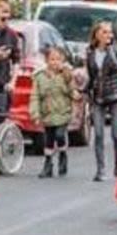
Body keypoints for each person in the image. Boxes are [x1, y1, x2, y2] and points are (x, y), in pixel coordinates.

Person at [85, 21, 117, 181]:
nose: (108, 35)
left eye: (110, 32)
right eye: (104, 32)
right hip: (98, 97)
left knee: (116, 134)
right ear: (96, 34)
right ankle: (100, 170)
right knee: (99, 134)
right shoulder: (90, 52)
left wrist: (109, 49)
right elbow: (91, 75)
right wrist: (84, 92)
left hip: (116, 95)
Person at [30, 46, 79, 178]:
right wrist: (35, 113)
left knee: (59, 135)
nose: (55, 62)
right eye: (52, 59)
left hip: (63, 112)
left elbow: (72, 91)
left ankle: (63, 154)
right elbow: (35, 96)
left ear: (62, 60)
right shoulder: (39, 77)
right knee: (48, 139)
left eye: (58, 59)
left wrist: (74, 94)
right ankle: (48, 164)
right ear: (47, 61)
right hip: (47, 113)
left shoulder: (66, 75)